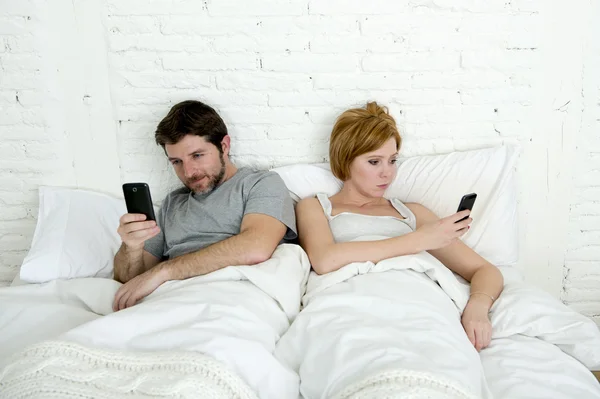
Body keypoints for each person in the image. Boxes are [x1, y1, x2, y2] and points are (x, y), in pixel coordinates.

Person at [295, 101, 504, 351]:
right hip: (353, 307)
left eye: (392, 160)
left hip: (419, 305)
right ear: (345, 160)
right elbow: (324, 260)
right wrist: (419, 241)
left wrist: (477, 309)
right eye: (374, 162)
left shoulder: (412, 213)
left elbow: (485, 270)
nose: (387, 173)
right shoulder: (316, 207)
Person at [112, 100, 297, 311]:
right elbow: (131, 280)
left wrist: (165, 271)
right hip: (172, 299)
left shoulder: (260, 184)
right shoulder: (172, 204)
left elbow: (256, 248)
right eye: (176, 162)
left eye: (197, 155)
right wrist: (131, 247)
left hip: (233, 298)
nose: (189, 172)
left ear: (224, 146)